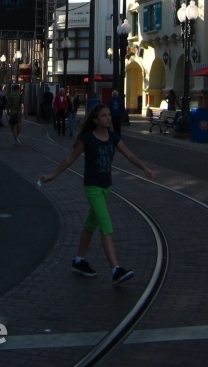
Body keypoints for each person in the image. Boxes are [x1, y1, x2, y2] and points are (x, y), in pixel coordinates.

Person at [39, 104, 156, 285]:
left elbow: (130, 155)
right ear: (95, 119)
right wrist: (52, 175)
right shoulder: (87, 138)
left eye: (109, 115)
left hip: (106, 187)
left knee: (90, 223)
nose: (108, 118)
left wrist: (145, 168)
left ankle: (79, 260)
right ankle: (116, 270)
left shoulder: (113, 138)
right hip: (92, 186)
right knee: (105, 224)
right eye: (103, 116)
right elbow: (70, 158)